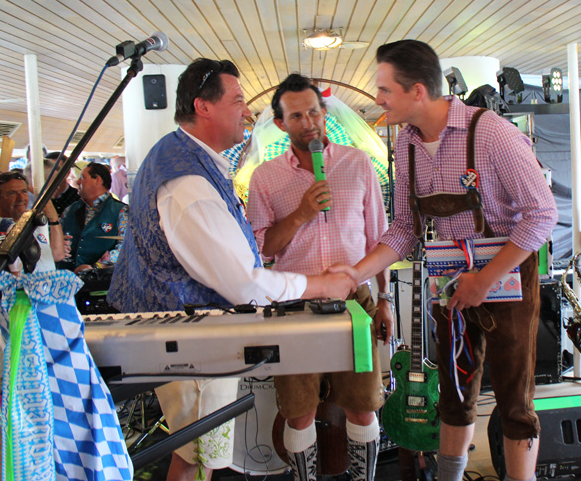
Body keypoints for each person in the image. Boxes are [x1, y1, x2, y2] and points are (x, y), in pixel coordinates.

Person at [107, 58, 356, 481]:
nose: (247, 111)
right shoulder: (188, 183)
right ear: (203, 106)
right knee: (199, 458)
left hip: (184, 336)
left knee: (194, 455)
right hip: (189, 342)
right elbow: (245, 284)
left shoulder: (182, 156)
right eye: (238, 100)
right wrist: (321, 285)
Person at [331, 40, 558, 481]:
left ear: (417, 91)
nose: (377, 98)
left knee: (514, 400)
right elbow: (405, 228)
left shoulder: (490, 133)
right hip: (449, 277)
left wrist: (485, 279)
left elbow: (542, 214)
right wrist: (356, 273)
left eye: (385, 89)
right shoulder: (407, 145)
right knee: (452, 394)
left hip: (507, 275)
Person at [247, 73, 391, 481]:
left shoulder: (358, 163)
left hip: (355, 303)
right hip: (295, 306)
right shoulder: (265, 177)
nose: (308, 122)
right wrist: (301, 214)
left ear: (324, 112)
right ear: (280, 124)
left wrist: (384, 299)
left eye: (313, 112)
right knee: (298, 411)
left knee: (363, 405)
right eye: (296, 116)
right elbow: (262, 250)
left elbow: (379, 239)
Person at [57, 162, 127, 272]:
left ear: (97, 180)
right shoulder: (70, 210)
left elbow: (125, 247)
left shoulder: (121, 211)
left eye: (82, 177)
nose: (78, 182)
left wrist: (96, 267)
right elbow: (56, 238)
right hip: (67, 276)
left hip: (102, 279)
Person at [0, 170, 65, 272]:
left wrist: (53, 219)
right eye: (12, 193)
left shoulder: (32, 222)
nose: (21, 198)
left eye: (24, 191)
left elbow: (57, 255)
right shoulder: (2, 228)